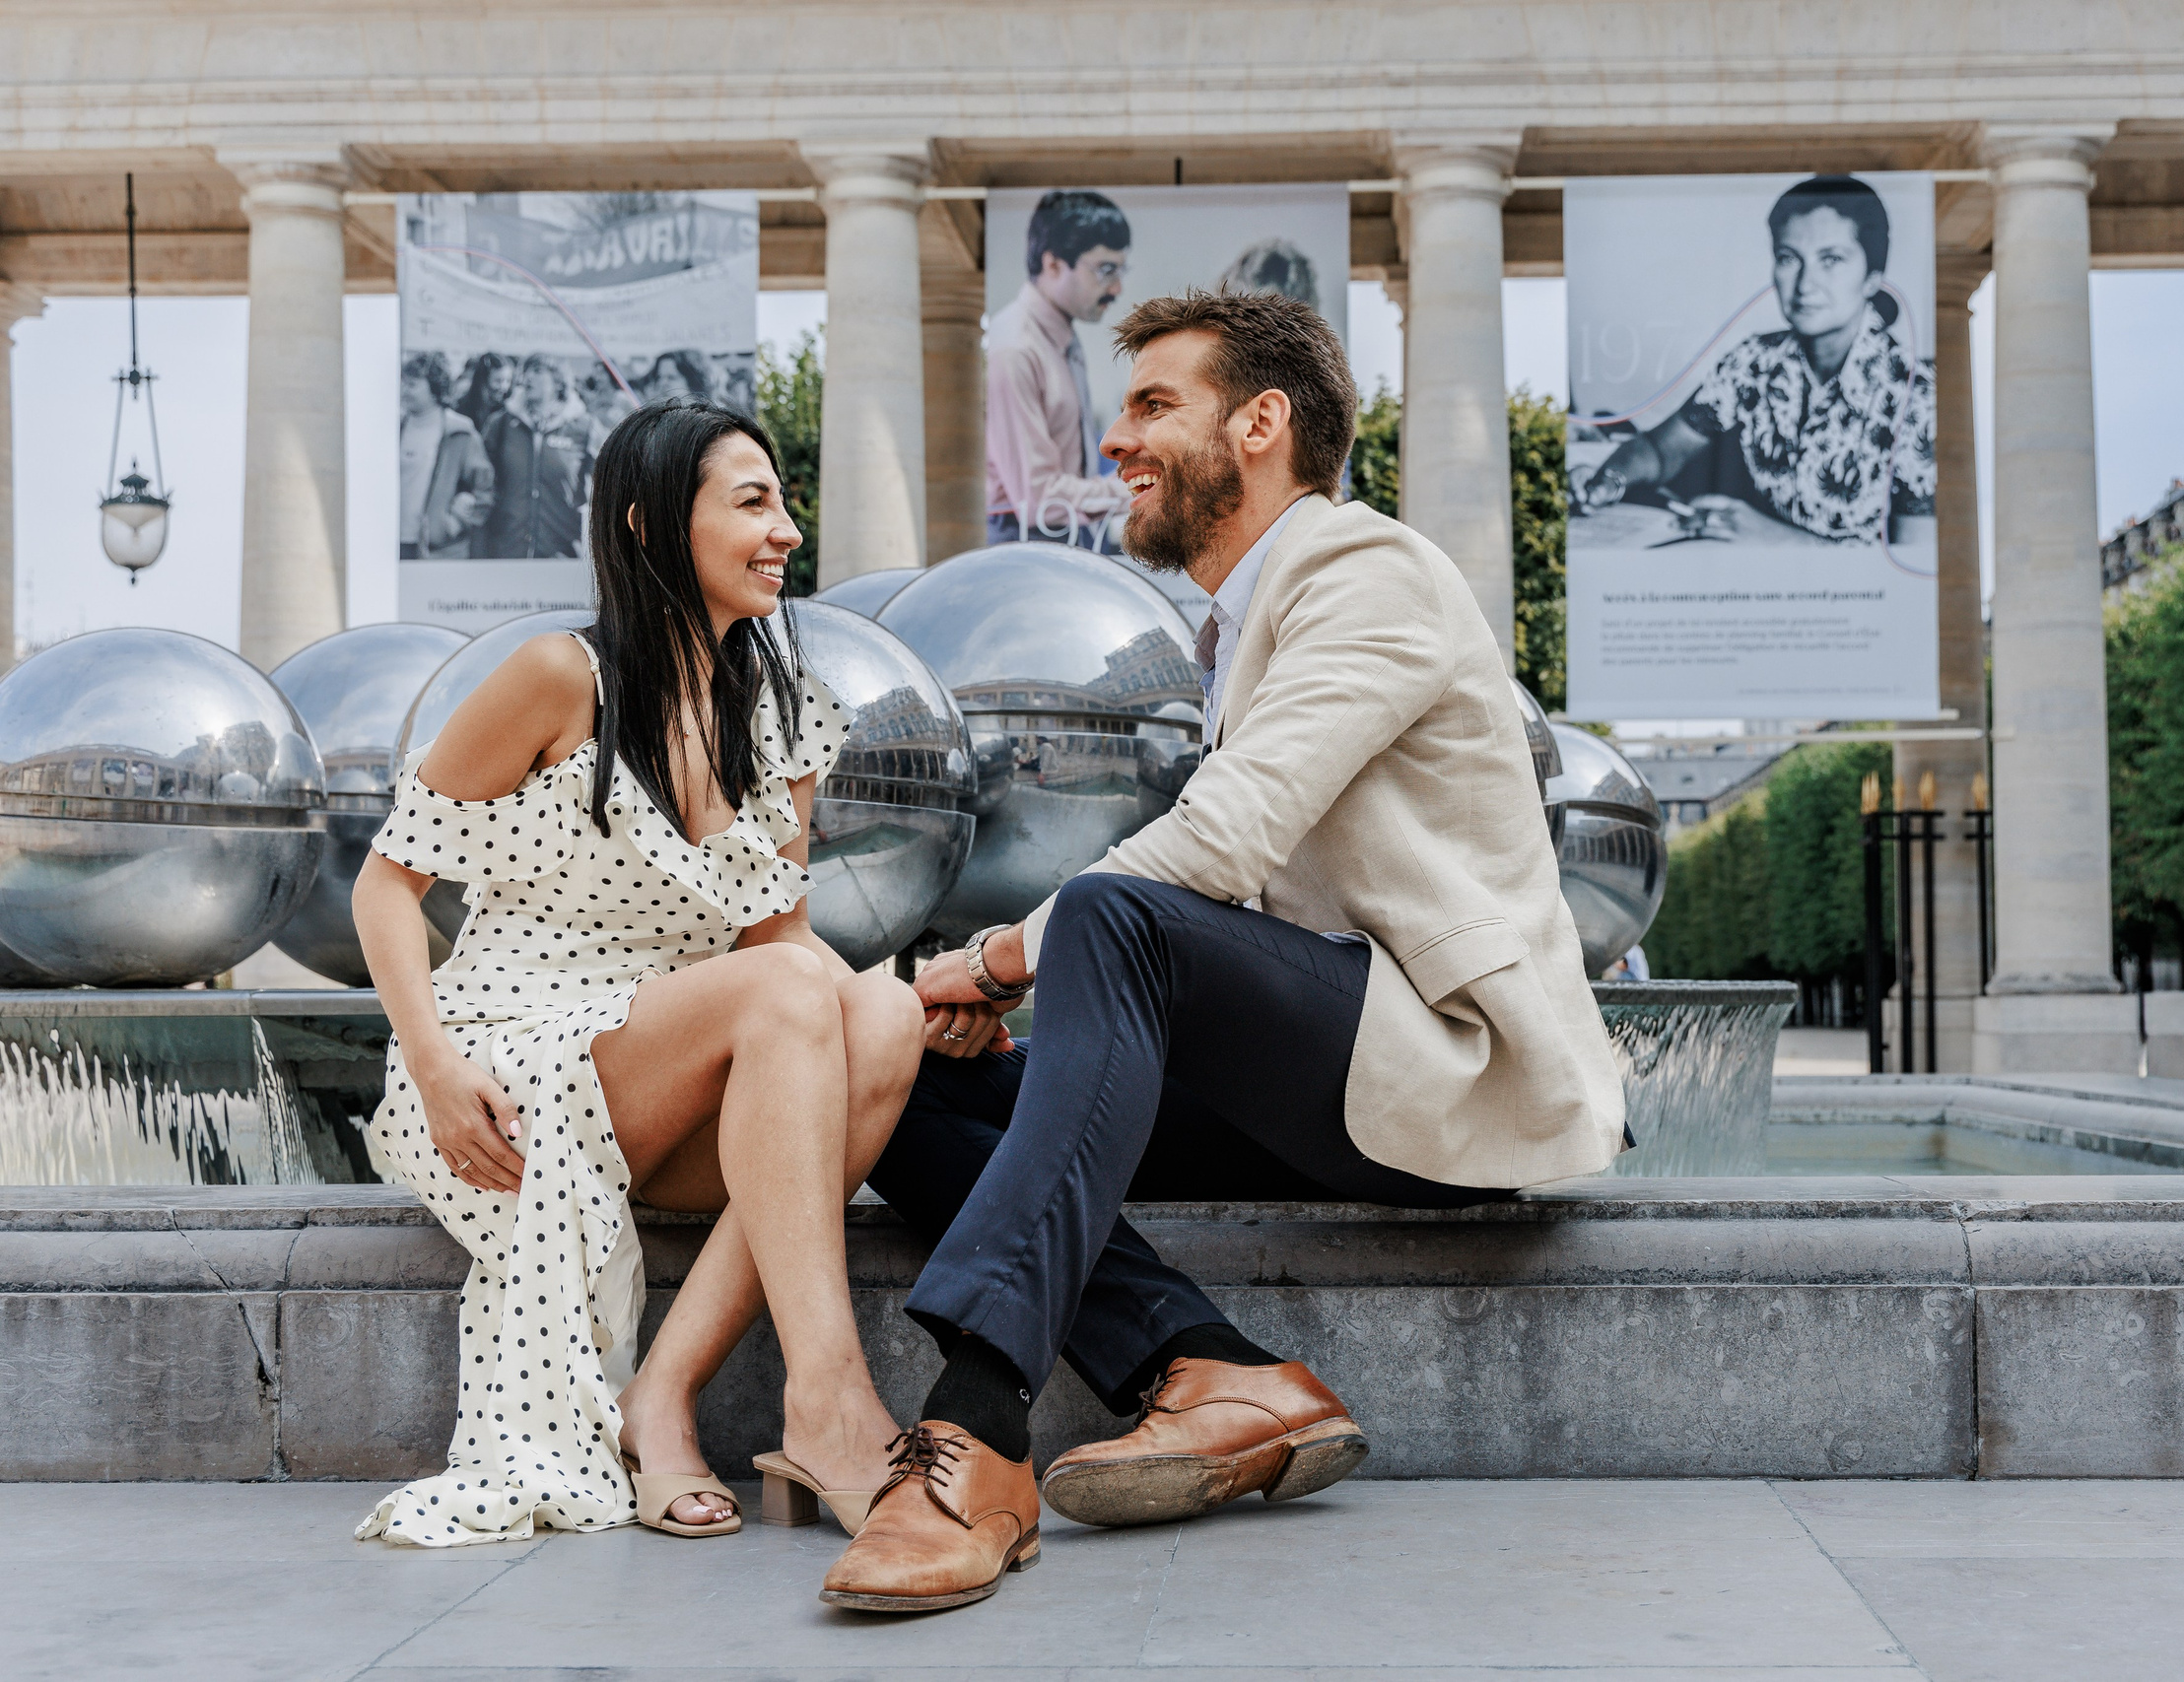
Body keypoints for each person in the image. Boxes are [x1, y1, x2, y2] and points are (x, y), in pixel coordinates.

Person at [831, 290, 1625, 1614]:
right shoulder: (1244, 620)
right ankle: (1209, 1370)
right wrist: (1008, 1016)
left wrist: (992, 961)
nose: (1114, 442)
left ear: (1262, 423)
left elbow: (1219, 842)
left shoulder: (1368, 571)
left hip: (1453, 1073)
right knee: (898, 1082)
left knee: (1112, 915)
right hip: (1336, 1074)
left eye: (1154, 405)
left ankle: (977, 1430)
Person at [350, 399, 925, 1552]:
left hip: (673, 1065)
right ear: (650, 523)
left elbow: (780, 939)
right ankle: (830, 1403)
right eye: (753, 503)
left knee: (886, 1011)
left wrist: (932, 987)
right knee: (792, 993)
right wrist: (436, 1066)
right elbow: (386, 886)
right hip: (508, 1053)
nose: (788, 532)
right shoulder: (557, 677)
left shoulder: (781, 712)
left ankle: (660, 1395)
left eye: (784, 504)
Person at [1574, 175, 1936, 549]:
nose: (1805, 284)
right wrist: (1609, 479)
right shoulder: (1753, 361)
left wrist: (1774, 540)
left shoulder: (1919, 396)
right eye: (1788, 258)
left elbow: (1913, 566)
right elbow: (1661, 451)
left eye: (1831, 260)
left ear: (1872, 278)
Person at [984, 189, 1135, 550]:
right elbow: (1039, 497)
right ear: (1052, 264)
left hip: (1062, 539)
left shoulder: (1061, 338)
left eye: (1120, 270)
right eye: (1105, 270)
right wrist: (1135, 489)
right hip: (1027, 548)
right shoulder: (1014, 348)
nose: (1117, 288)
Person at [481, 354, 594, 559]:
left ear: (559, 382)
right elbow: (479, 479)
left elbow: (613, 482)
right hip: (506, 551)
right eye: (526, 372)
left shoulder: (584, 428)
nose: (527, 378)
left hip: (562, 554)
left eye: (537, 371)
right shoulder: (501, 423)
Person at [398, 353, 495, 560]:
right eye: (403, 383)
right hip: (392, 544)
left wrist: (456, 523)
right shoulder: (394, 428)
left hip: (439, 551)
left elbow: (484, 488)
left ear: (435, 389)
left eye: (412, 385)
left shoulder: (460, 432)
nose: (403, 390)